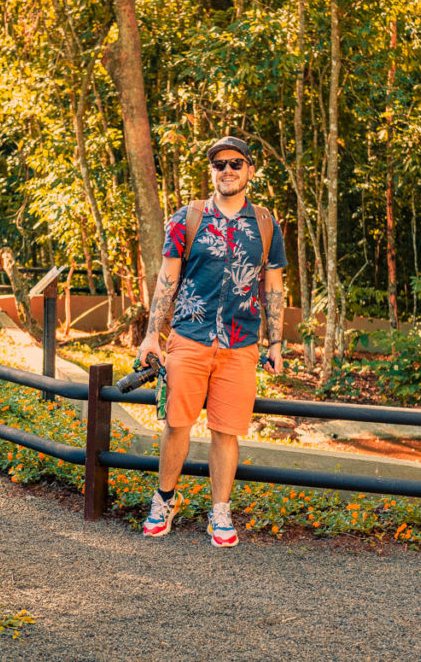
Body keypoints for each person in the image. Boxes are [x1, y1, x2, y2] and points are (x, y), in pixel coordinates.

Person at [136, 136, 287, 547]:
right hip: (189, 335)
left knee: (226, 430)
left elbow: (272, 283)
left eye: (236, 163)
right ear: (211, 172)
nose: (227, 170)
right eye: (219, 164)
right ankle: (164, 499)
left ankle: (220, 511)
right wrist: (153, 333)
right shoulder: (187, 218)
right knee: (177, 423)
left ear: (250, 171)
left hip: (241, 343)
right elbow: (167, 278)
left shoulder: (265, 223)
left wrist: (275, 341)